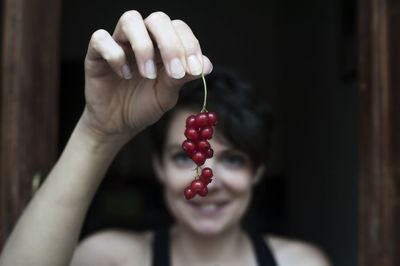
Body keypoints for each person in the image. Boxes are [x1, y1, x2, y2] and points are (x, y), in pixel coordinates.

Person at [0, 10, 331, 266]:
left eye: (234, 159)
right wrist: (96, 132)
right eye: (183, 156)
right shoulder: (110, 258)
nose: (209, 180)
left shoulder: (300, 262)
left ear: (258, 171)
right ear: (157, 166)